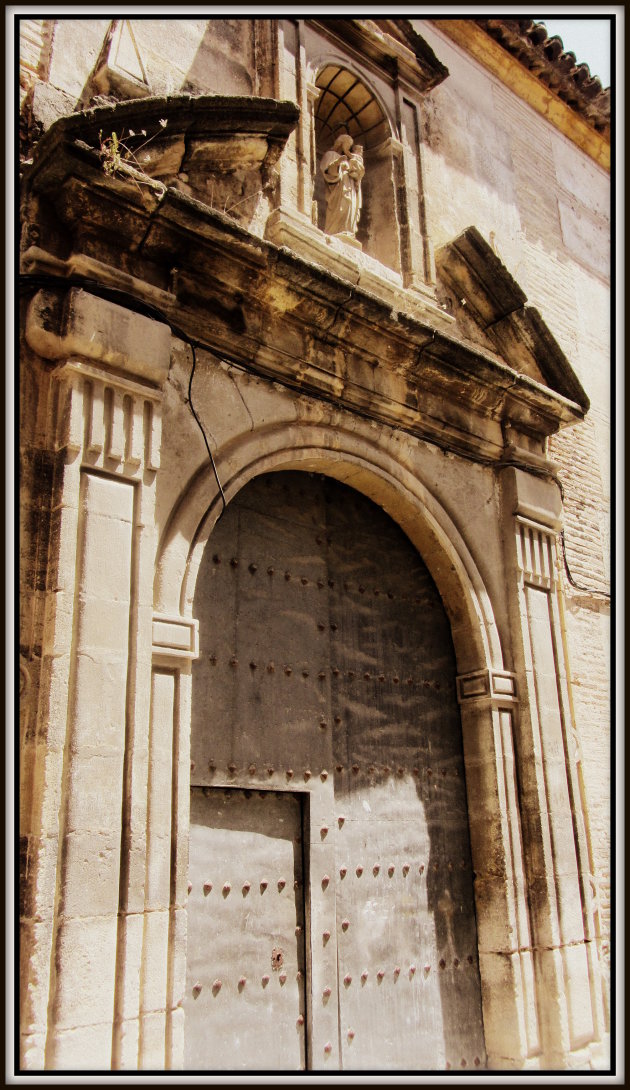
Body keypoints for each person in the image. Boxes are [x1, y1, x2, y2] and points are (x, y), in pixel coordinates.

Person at [320, 132, 365, 239]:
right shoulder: (331, 155)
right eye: (347, 145)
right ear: (341, 143)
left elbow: (357, 174)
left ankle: (348, 231)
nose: (348, 148)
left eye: (350, 146)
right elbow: (327, 173)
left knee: (350, 207)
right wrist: (338, 164)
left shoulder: (349, 159)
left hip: (350, 188)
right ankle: (335, 232)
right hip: (338, 189)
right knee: (341, 207)